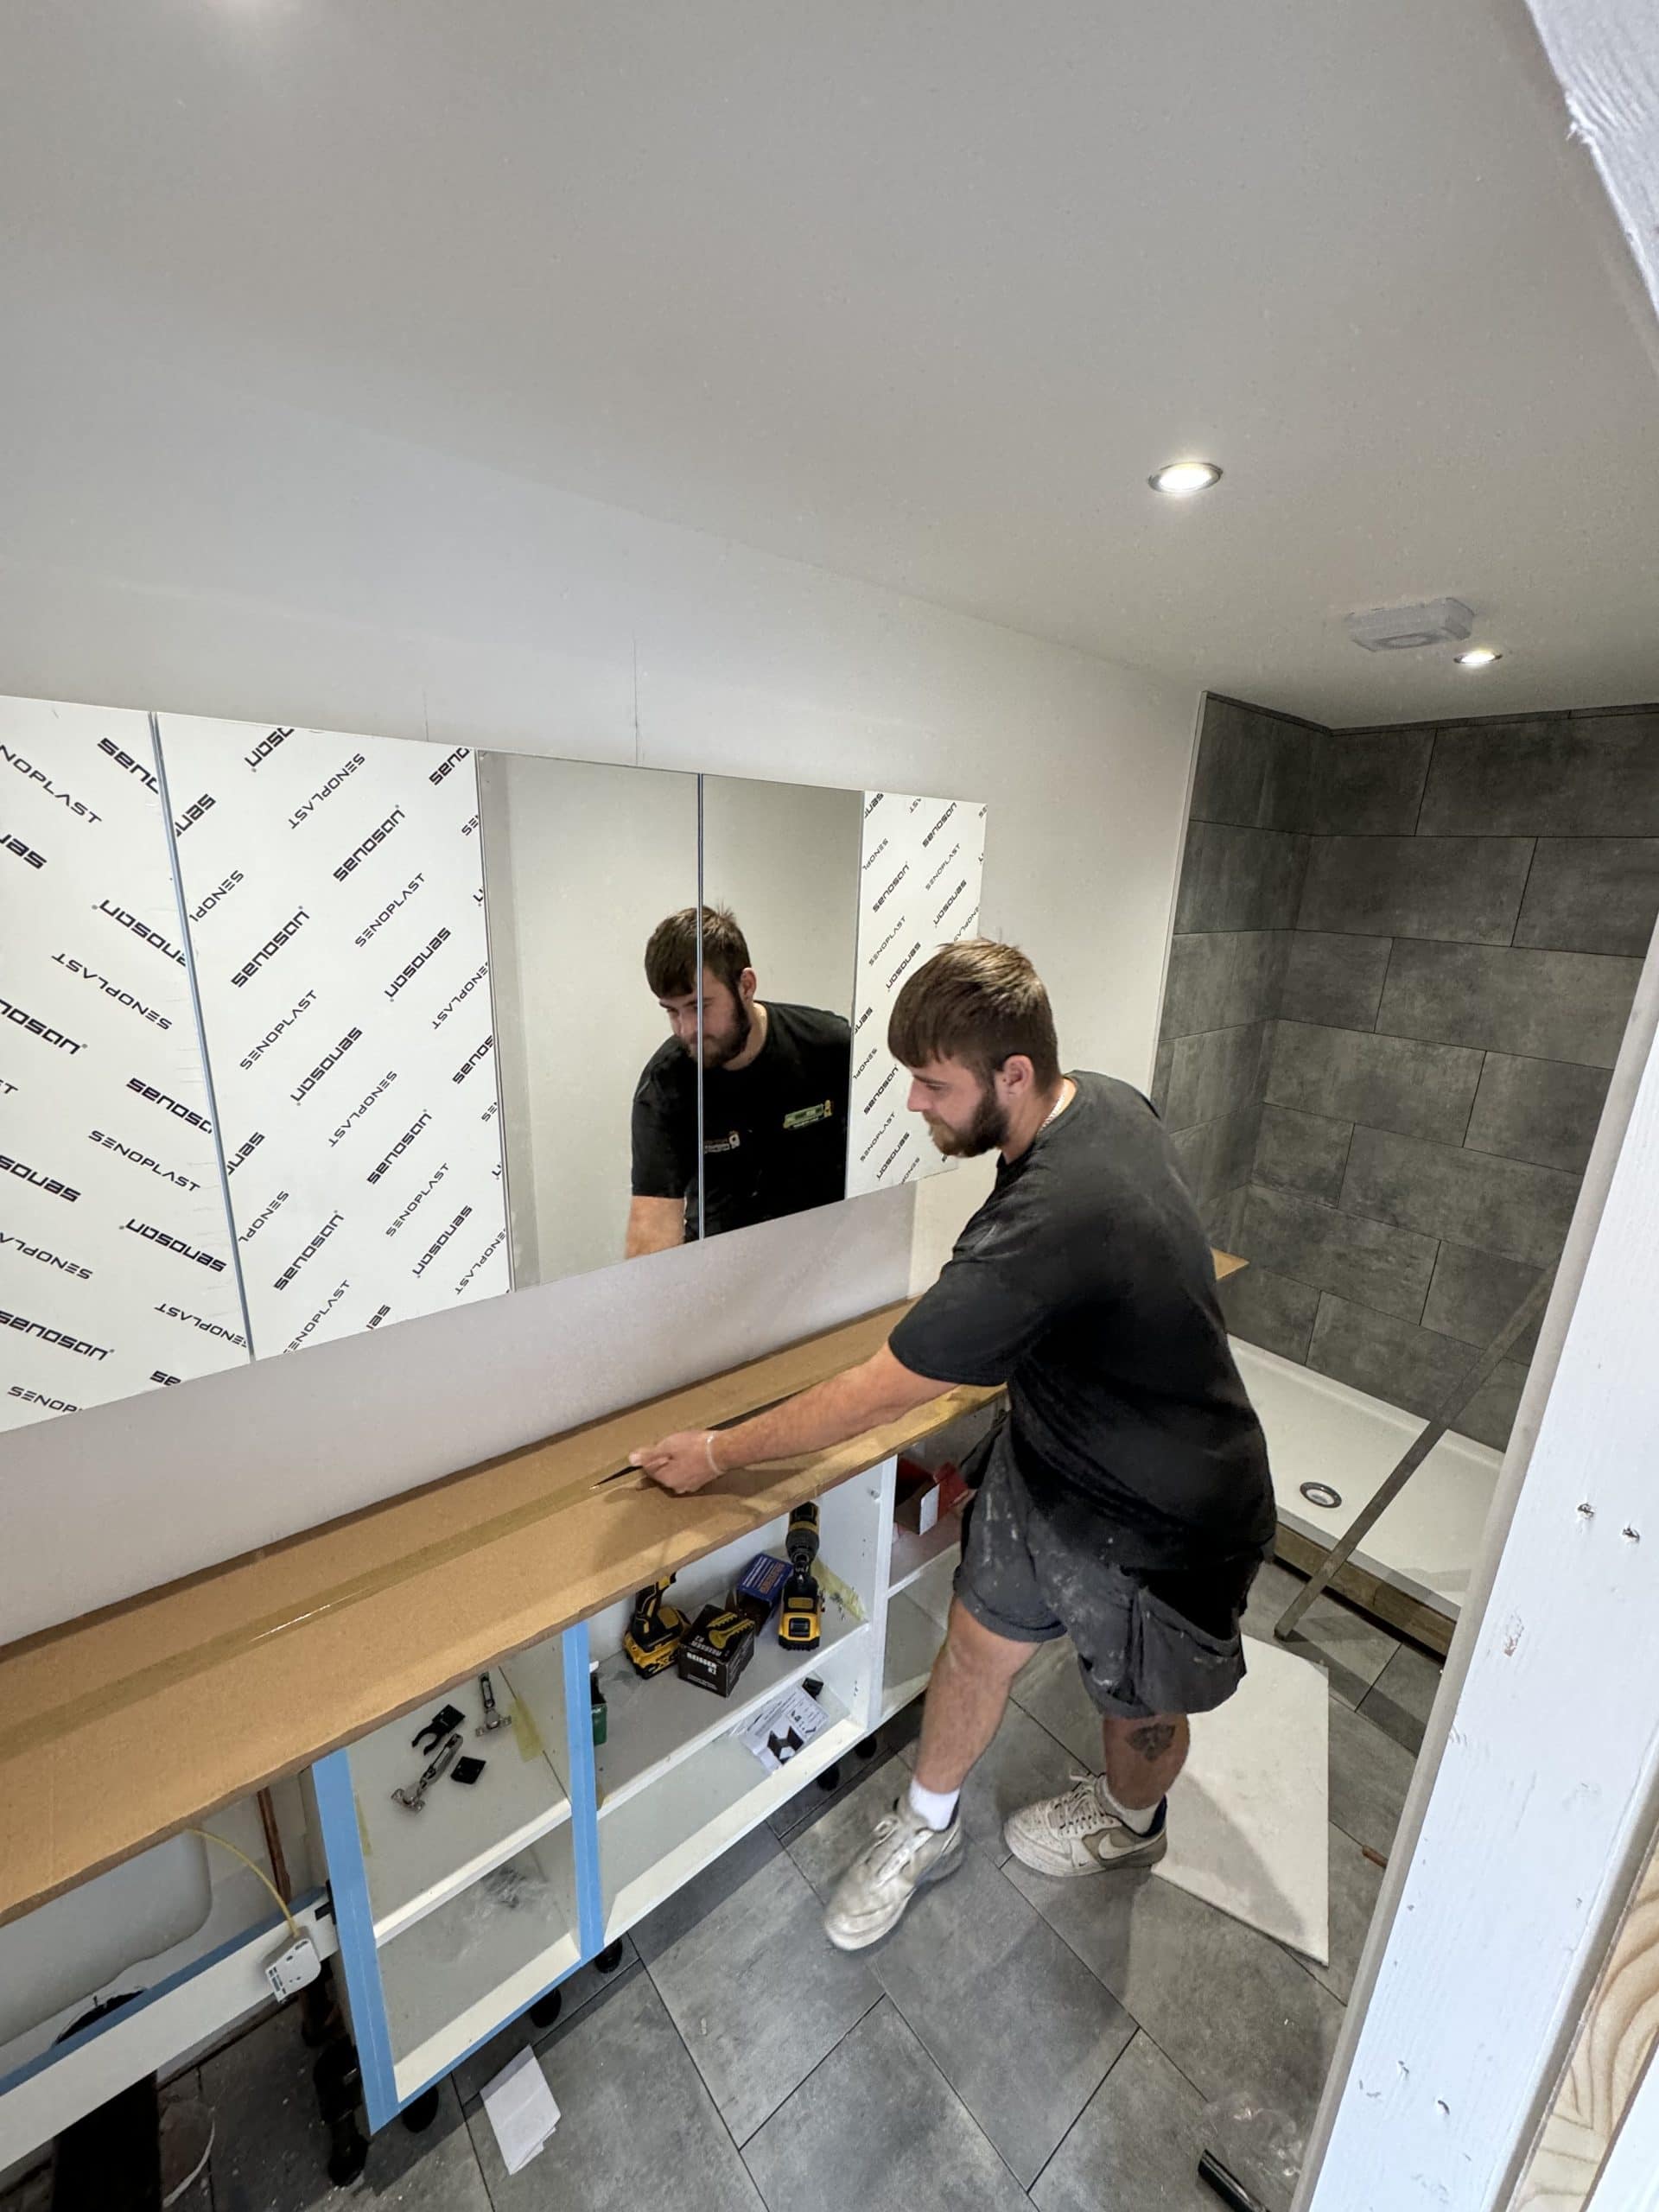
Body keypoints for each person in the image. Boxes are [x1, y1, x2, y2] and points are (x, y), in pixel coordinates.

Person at [631, 938, 1274, 1951]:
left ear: (1013, 1074)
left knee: (1134, 1711)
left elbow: (876, 1395)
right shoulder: (1101, 1099)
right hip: (1052, 1460)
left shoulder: (1045, 1219)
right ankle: (927, 1826)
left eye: (934, 1084)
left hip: (1167, 1510)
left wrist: (715, 1454)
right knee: (975, 1647)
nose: (916, 1105)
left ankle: (1132, 1822)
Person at [626, 906, 852, 1256]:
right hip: (718, 1266)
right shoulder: (665, 1086)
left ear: (746, 985)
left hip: (826, 1254)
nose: (688, 1030)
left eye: (699, 1006)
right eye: (672, 1011)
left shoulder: (830, 1046)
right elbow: (651, 1238)